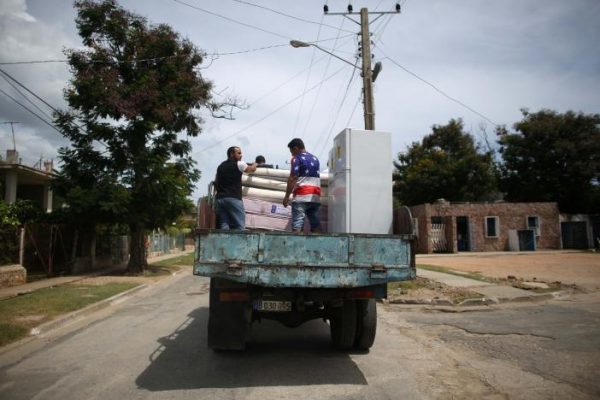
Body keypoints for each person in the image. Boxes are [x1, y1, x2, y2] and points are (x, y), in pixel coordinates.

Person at [283, 138, 321, 233]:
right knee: (315, 222)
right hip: (315, 196)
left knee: (297, 223)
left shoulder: (296, 158)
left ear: (296, 148)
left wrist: (287, 196)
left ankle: (296, 246)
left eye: (292, 151)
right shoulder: (315, 158)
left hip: (302, 196)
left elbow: (293, 177)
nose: (292, 154)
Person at [214, 146, 257, 229]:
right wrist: (255, 164)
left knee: (224, 226)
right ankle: (241, 241)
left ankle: (224, 241)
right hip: (233, 198)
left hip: (220, 200)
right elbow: (251, 169)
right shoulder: (239, 163)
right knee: (240, 225)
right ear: (232, 154)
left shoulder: (220, 166)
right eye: (239, 153)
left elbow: (216, 182)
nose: (241, 155)